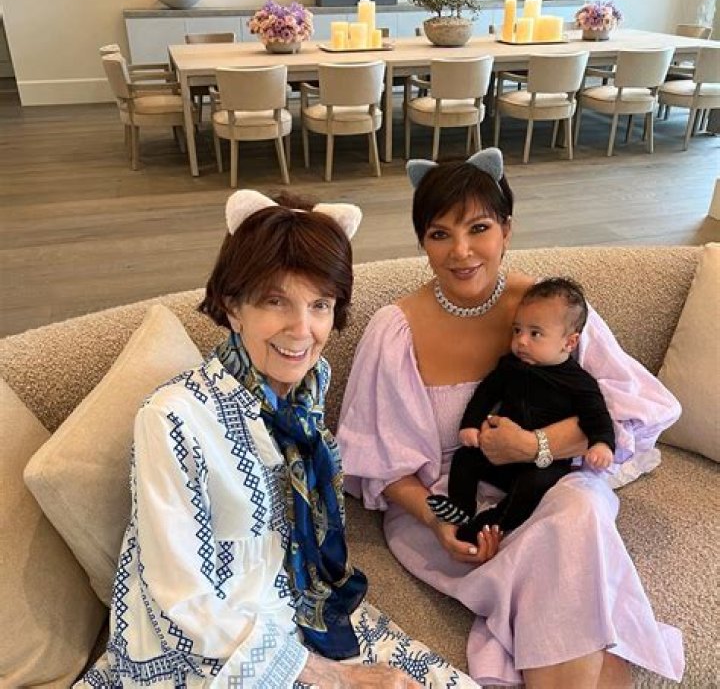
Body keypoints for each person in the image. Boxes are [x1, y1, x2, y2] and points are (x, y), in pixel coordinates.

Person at [77, 190, 477, 689]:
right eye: (275, 301)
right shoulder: (174, 418)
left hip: (303, 614)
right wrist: (334, 678)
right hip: (210, 655)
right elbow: (177, 602)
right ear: (233, 306)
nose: (302, 330)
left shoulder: (308, 390)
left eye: (320, 304)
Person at [336, 149, 685, 687]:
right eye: (440, 234)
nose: (461, 251)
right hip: (451, 500)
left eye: (478, 228)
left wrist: (535, 446)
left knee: (578, 513)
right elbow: (380, 463)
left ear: (506, 229)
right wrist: (438, 519)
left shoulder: (551, 309)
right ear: (423, 242)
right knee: (575, 566)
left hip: (551, 481)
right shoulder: (394, 329)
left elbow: (629, 406)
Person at [428, 276, 615, 542]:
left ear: (569, 342)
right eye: (517, 330)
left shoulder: (579, 383)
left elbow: (597, 417)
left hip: (544, 464)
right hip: (500, 456)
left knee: (534, 486)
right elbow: (485, 394)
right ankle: (462, 509)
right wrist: (470, 424)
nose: (521, 341)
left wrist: (602, 445)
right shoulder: (510, 366)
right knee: (465, 458)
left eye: (535, 333)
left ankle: (491, 523)